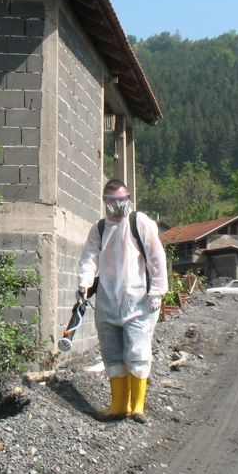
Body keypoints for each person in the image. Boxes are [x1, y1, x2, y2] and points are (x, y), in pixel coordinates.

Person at [77, 179, 168, 422]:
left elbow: (156, 257)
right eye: (112, 200)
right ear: (105, 201)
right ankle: (118, 405)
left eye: (121, 199)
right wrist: (84, 283)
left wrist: (157, 291)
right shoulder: (99, 229)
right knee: (113, 353)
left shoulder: (139, 223)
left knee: (137, 352)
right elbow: (89, 258)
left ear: (128, 198)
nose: (117, 205)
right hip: (107, 302)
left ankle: (137, 406)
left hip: (138, 301)